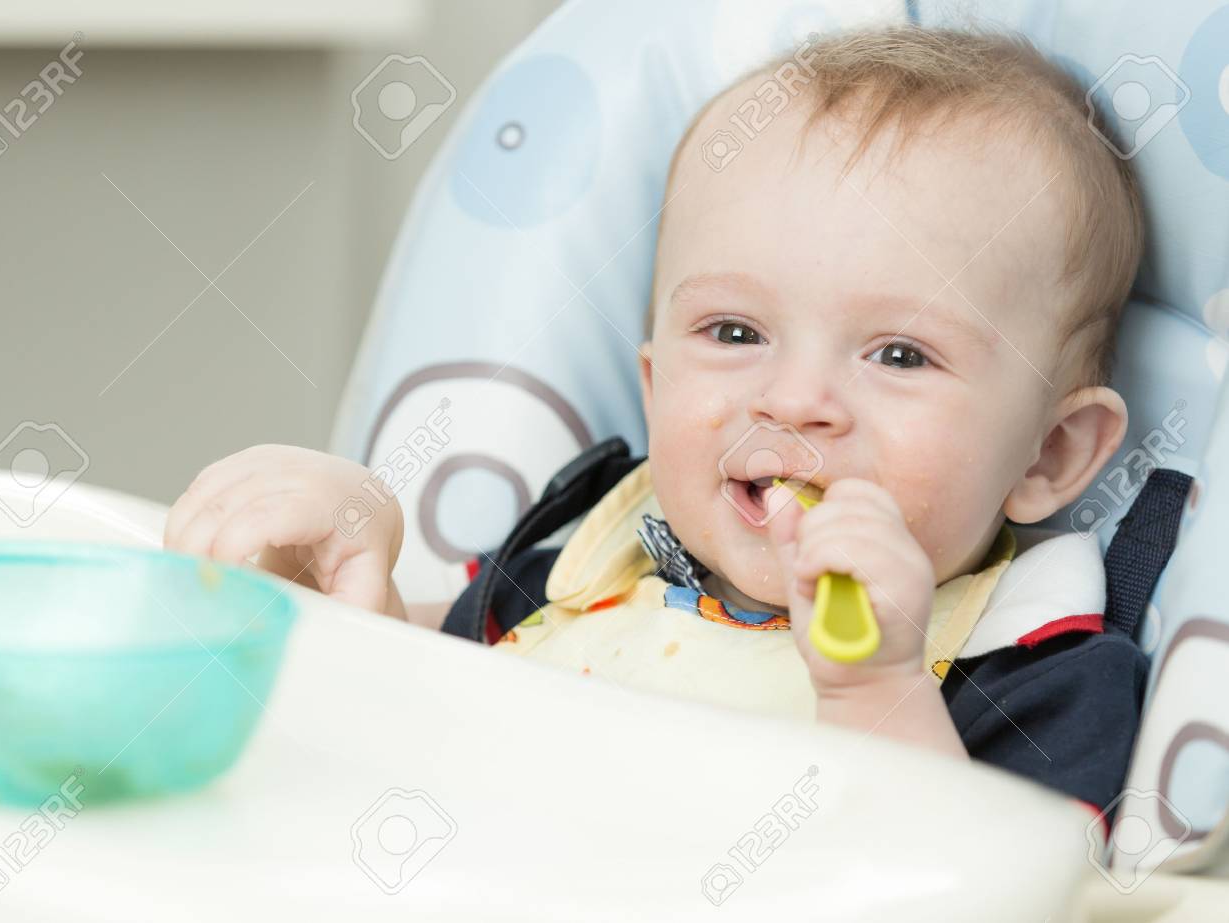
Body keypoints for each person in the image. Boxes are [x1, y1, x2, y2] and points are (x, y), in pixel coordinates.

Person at [164, 26, 1147, 820]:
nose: (793, 398)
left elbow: (991, 888)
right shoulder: (583, 570)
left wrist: (876, 688)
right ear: (652, 380)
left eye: (898, 353)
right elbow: (420, 711)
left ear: (1051, 451)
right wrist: (344, 587)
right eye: (732, 331)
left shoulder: (1036, 671)